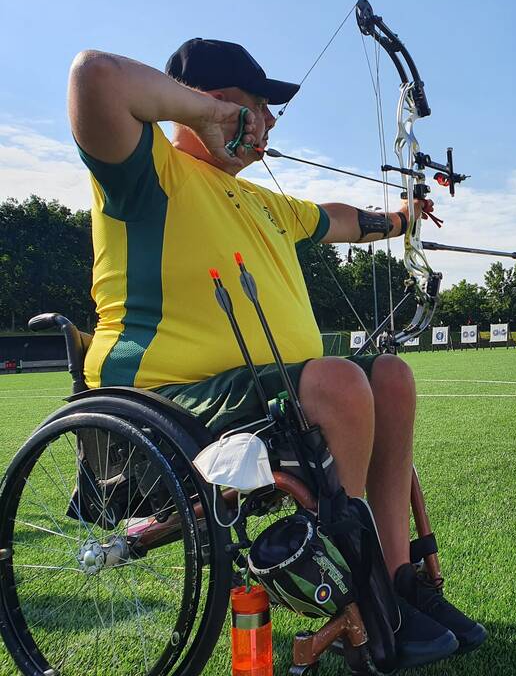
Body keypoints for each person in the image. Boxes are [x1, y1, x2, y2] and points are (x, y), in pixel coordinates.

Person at [67, 37, 486, 668]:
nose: (265, 123)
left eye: (267, 112)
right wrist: (205, 114)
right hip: (166, 403)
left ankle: (398, 583)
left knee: (391, 376)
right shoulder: (144, 169)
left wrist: (402, 218)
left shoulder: (262, 201)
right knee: (340, 384)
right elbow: (95, 77)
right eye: (254, 108)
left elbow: (338, 220)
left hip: (259, 399)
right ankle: (357, 605)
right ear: (204, 105)